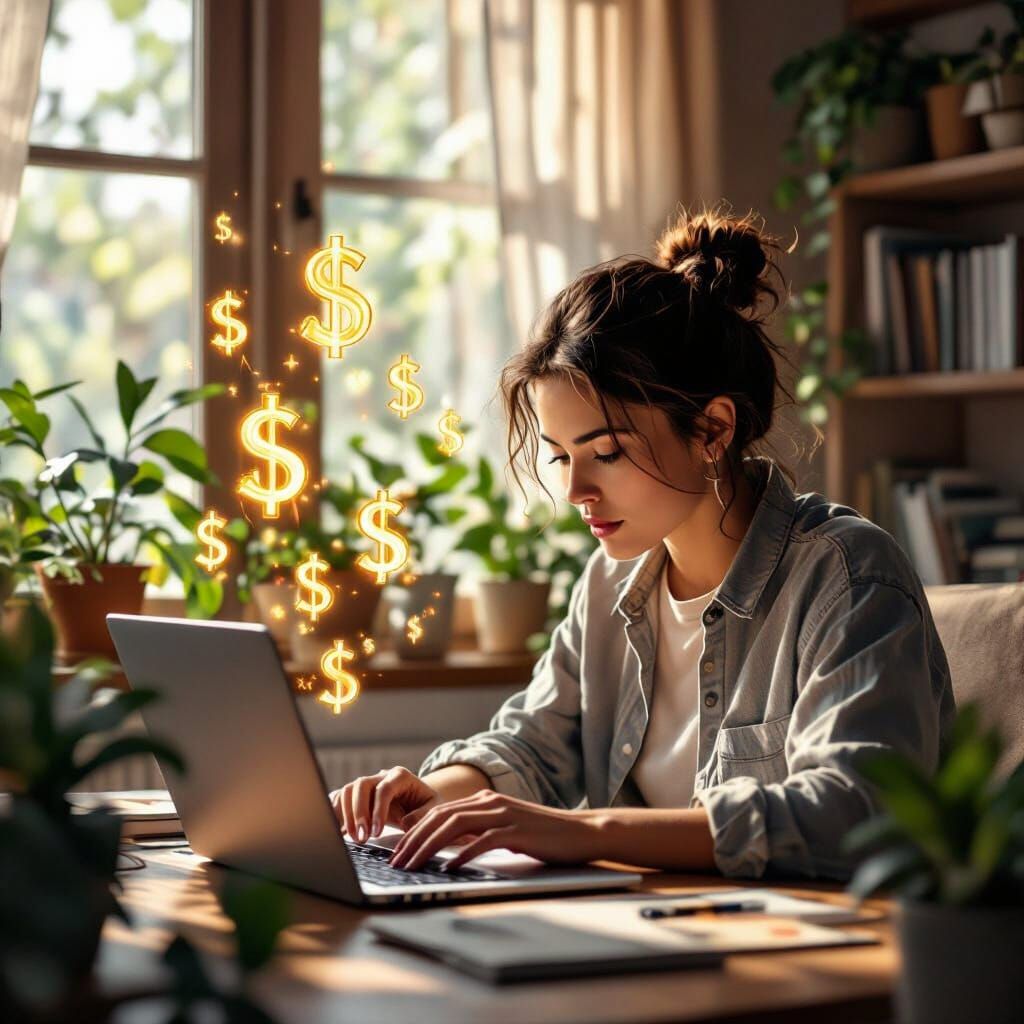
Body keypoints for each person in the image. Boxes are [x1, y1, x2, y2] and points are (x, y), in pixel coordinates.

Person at [330, 202, 956, 881]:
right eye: (562, 456)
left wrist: (586, 831)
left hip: (804, 949)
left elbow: (851, 812)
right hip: (655, 928)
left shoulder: (847, 576)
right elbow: (537, 746)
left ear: (713, 430)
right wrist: (441, 792)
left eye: (606, 452)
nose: (575, 491)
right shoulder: (610, 582)